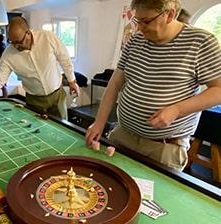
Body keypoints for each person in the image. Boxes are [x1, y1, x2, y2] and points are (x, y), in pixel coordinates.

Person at [85, 0, 221, 171]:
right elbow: (114, 85)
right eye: (137, 21)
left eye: (146, 21)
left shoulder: (201, 42)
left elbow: (218, 90)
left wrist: (177, 109)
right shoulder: (134, 41)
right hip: (123, 135)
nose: (139, 27)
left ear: (169, 14)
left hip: (164, 147)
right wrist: (99, 122)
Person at [0, 17, 80, 120]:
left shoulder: (47, 37)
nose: (15, 46)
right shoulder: (8, 54)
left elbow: (64, 59)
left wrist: (72, 81)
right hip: (34, 100)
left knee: (62, 129)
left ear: (28, 33)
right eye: (11, 42)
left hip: (57, 96)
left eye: (18, 42)